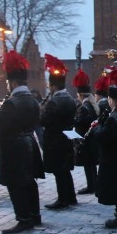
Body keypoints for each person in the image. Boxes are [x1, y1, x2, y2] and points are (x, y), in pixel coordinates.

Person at [0, 51, 45, 234]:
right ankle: (35, 215)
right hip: (29, 142)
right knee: (30, 182)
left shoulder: (12, 102)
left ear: (12, 82)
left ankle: (23, 218)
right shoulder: (32, 100)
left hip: (14, 146)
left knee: (16, 184)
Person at [90, 84, 117, 228]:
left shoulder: (114, 118)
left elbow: (104, 137)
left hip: (113, 160)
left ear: (112, 99)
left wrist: (96, 128)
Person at [41, 55, 77, 210]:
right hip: (67, 139)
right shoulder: (69, 99)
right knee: (65, 171)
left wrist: (42, 109)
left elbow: (44, 121)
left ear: (53, 86)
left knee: (59, 172)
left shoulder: (54, 102)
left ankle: (63, 198)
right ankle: (71, 196)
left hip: (55, 141)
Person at [72, 69, 98, 195]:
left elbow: (81, 122)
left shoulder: (85, 107)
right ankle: (94, 183)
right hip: (90, 139)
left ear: (81, 95)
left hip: (86, 139)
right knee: (91, 164)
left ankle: (91, 186)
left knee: (88, 164)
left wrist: (73, 119)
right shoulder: (91, 105)